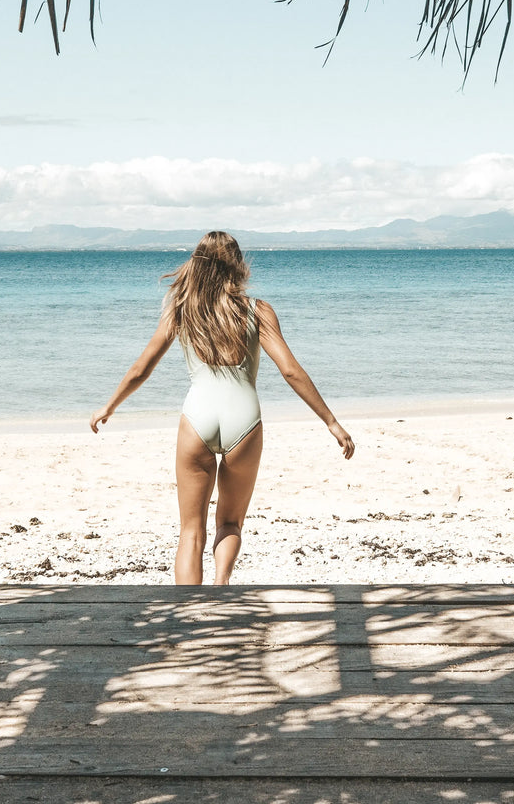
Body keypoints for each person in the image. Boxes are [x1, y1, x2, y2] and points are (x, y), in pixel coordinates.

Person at [91, 231, 355, 584]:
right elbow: (290, 370)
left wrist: (109, 406)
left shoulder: (182, 310)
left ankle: (188, 614)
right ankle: (220, 590)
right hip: (244, 421)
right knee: (230, 522)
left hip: (197, 419)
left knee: (190, 532)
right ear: (238, 265)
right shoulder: (257, 310)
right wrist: (331, 422)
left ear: (197, 264)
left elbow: (142, 368)